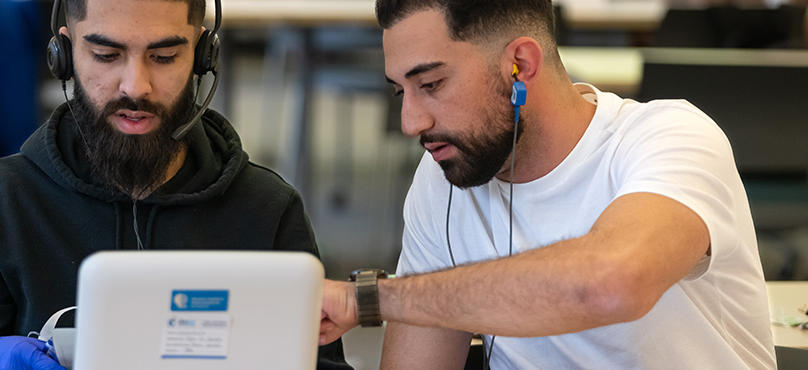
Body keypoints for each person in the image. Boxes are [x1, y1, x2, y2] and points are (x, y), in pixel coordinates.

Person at [318, 0, 776, 369]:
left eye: (432, 84)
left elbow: (612, 284)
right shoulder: (445, 180)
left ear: (520, 64)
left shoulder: (669, 136)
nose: (410, 121)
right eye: (401, 91)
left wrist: (370, 299)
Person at [0, 0, 353, 369]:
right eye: (106, 55)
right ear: (65, 52)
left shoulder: (268, 210)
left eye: (164, 56)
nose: (136, 86)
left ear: (204, 54)